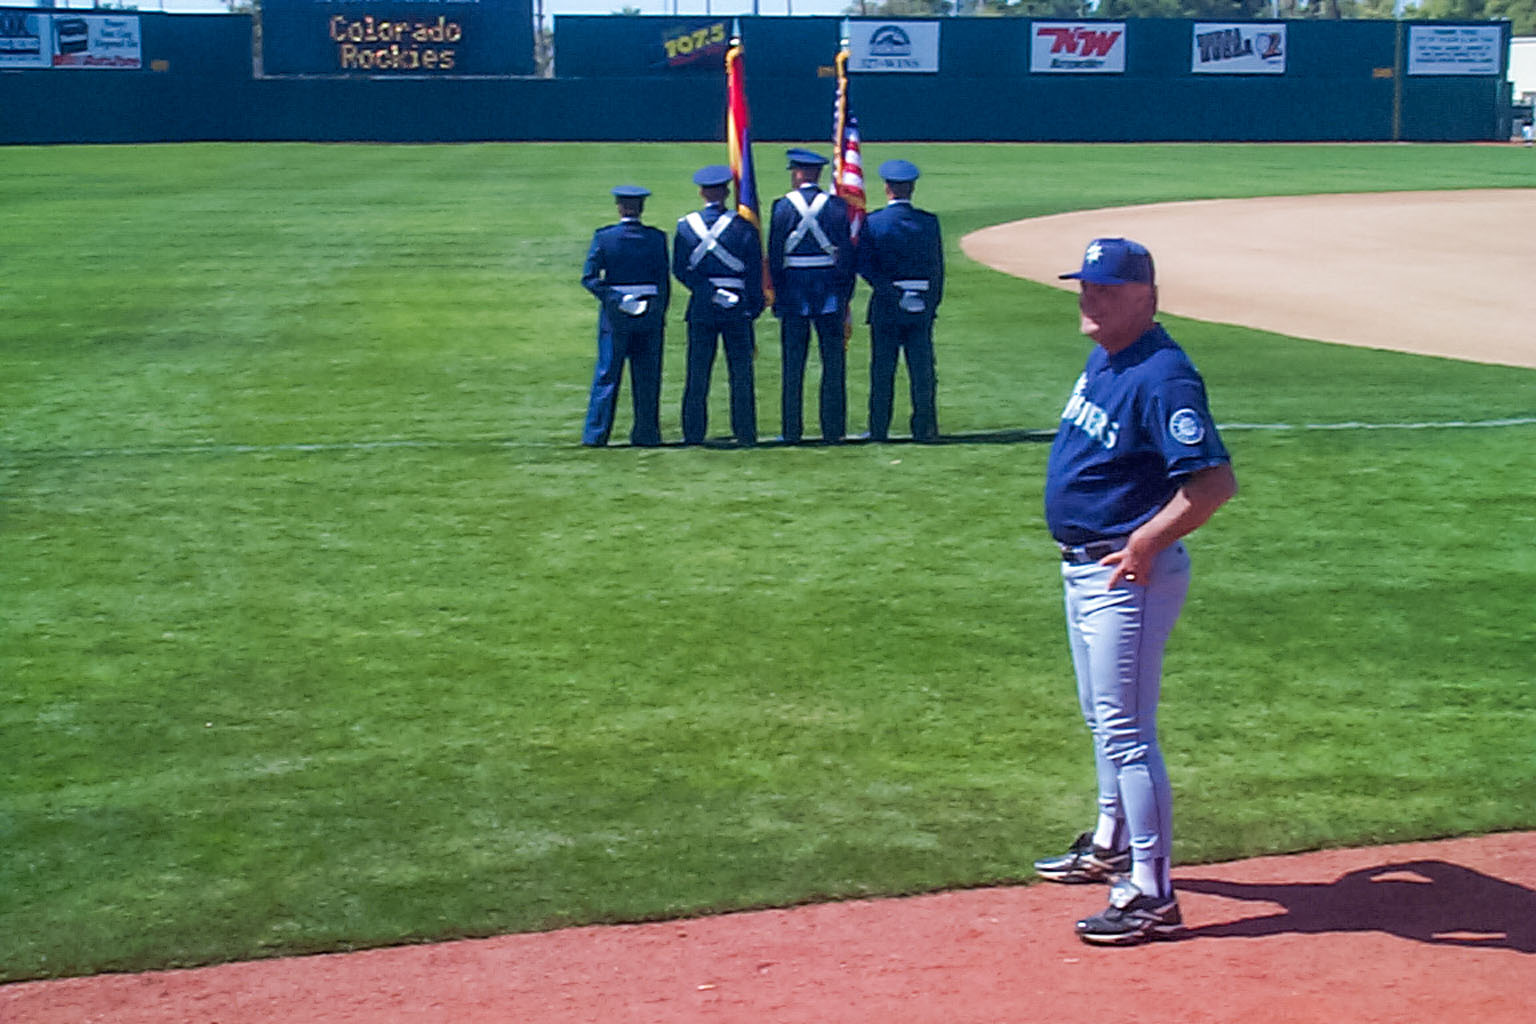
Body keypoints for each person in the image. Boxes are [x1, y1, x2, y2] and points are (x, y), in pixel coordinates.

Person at [1033, 237, 1238, 946]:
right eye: (1084, 286)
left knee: (1126, 732)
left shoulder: (1164, 377)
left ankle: (1151, 892)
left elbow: (1213, 484)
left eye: (1105, 289)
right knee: (1102, 719)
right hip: (1084, 566)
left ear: (1145, 298)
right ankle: (1110, 840)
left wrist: (1145, 543)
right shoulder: (1110, 356)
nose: (1088, 298)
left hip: (1127, 575)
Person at [767, 148, 854, 443]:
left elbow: (775, 255)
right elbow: (846, 256)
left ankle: (791, 430)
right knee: (833, 364)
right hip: (829, 290)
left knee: (793, 366)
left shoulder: (781, 207)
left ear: (797, 173)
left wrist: (777, 293)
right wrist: (844, 294)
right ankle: (834, 429)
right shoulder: (837, 207)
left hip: (793, 291)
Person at [672, 164, 764, 447]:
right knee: (741, 373)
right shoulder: (743, 227)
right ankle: (745, 431)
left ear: (701, 192)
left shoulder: (686, 227)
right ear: (725, 192)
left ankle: (693, 432)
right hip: (737, 308)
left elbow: (680, 269)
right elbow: (753, 270)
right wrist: (751, 304)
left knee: (698, 372)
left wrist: (707, 291)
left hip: (701, 306)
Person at [856, 158, 943, 442]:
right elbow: (937, 270)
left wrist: (894, 294)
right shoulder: (929, 223)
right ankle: (925, 427)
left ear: (887, 188)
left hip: (886, 304)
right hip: (920, 304)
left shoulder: (874, 222)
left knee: (882, 371)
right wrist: (928, 303)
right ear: (912, 188)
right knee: (922, 372)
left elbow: (866, 266)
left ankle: (879, 428)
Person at [580, 184, 670, 447]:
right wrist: (656, 310)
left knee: (607, 375)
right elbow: (663, 281)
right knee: (647, 377)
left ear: (619, 207)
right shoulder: (656, 238)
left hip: (616, 316)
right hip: (649, 314)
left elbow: (590, 278)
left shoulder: (604, 237)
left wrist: (617, 300)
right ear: (641, 208)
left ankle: (596, 434)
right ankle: (647, 433)